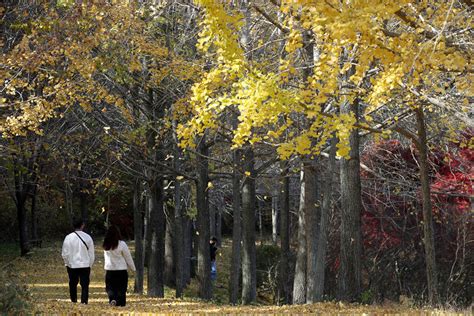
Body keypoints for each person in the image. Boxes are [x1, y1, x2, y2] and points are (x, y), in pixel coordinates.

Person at [61, 218, 95, 304]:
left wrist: (67, 263)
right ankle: (84, 301)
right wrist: (89, 264)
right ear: (82, 225)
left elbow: (65, 253)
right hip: (85, 265)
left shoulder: (68, 237)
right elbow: (91, 254)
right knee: (85, 285)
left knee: (72, 283)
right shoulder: (88, 237)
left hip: (72, 264)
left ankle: (74, 300)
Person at [103, 225, 136, 307]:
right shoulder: (122, 244)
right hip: (121, 270)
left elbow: (106, 258)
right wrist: (133, 268)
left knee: (110, 288)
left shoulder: (106, 245)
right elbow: (128, 257)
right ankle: (120, 303)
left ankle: (112, 299)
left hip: (110, 270)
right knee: (121, 288)